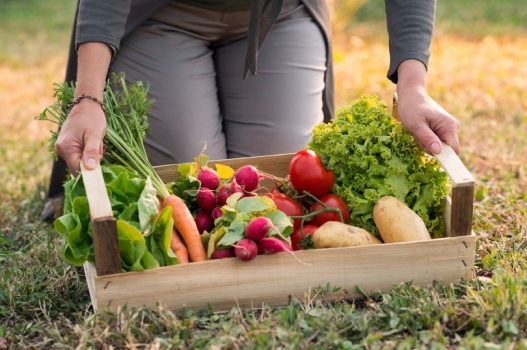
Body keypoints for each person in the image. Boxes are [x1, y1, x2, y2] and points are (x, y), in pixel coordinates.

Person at [41, 0, 460, 220]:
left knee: (275, 186)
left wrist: (413, 86)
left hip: (279, 15)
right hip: (160, 15)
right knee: (192, 182)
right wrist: (88, 97)